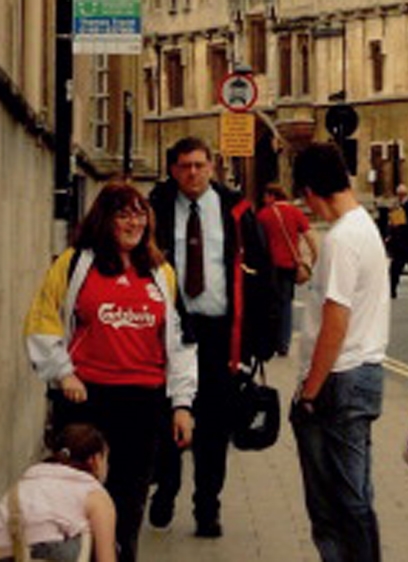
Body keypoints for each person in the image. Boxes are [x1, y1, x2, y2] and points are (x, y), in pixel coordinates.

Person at [23, 182, 196, 562]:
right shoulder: (74, 264)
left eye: (139, 213)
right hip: (87, 401)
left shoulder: (160, 272)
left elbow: (182, 341)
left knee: (128, 502)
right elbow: (42, 321)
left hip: (144, 403)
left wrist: (182, 404)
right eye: (123, 214)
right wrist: (63, 373)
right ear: (105, 219)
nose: (134, 222)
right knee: (77, 502)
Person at [147, 136, 276, 537]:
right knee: (168, 415)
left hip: (222, 333)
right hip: (171, 330)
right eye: (184, 165)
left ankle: (207, 507)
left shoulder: (236, 209)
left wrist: (261, 338)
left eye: (200, 165)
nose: (193, 173)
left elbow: (261, 271)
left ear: (212, 167)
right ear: (172, 169)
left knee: (215, 427)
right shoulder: (156, 208)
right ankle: (165, 489)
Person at [289, 143, 390, 562]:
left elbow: (335, 321)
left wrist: (309, 392)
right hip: (363, 371)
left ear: (312, 190)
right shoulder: (364, 226)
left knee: (333, 502)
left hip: (339, 378)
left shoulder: (342, 239)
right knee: (354, 494)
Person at [0, 424, 117, 562]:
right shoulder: (93, 492)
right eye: (106, 459)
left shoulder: (30, 479)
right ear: (95, 460)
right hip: (43, 553)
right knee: (100, 539)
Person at [257, 183, 319, 356]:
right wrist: (315, 258)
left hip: (270, 266)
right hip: (289, 265)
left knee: (270, 303)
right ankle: (284, 343)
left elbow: (258, 242)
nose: (263, 200)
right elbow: (310, 237)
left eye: (265, 196)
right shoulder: (295, 212)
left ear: (271, 196)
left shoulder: (264, 214)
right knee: (286, 304)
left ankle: (271, 340)